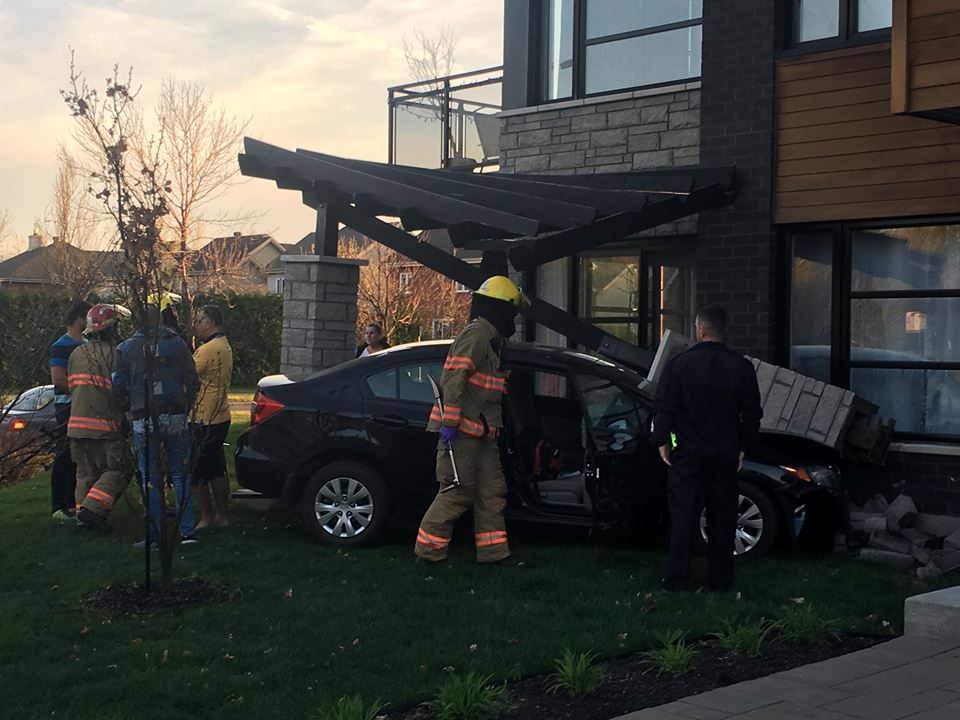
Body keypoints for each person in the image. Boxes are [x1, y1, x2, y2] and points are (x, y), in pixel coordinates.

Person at [651, 305, 762, 593]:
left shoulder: (679, 365)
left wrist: (662, 441)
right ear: (723, 331)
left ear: (699, 330)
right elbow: (751, 414)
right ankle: (720, 582)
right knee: (722, 519)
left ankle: (677, 581)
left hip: (687, 453)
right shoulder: (742, 368)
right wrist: (743, 446)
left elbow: (665, 407)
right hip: (724, 453)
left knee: (683, 517)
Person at [414, 276, 525, 566]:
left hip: (483, 435)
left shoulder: (491, 339)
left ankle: (493, 555)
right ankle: (428, 556)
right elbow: (453, 378)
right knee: (456, 492)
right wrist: (449, 423)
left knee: (492, 493)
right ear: (501, 309)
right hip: (461, 433)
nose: (514, 319)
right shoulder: (476, 336)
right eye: (512, 311)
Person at [113, 298, 200, 546]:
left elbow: (118, 387)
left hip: (143, 417)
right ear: (160, 319)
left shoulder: (126, 348)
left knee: (149, 476)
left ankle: (154, 535)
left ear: (136, 322)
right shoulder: (177, 344)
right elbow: (193, 380)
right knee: (180, 473)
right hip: (174, 414)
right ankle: (187, 532)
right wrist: (185, 407)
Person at [67, 303, 131, 535]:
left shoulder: (76, 353)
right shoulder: (115, 354)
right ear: (111, 329)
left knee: (85, 474)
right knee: (119, 468)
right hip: (103, 426)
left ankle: (82, 520)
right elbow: (119, 390)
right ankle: (92, 511)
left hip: (76, 426)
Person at [190, 304, 233, 529]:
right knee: (216, 467)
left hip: (204, 417)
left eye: (198, 321)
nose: (195, 325)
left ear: (209, 323)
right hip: (221, 414)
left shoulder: (207, 350)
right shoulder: (224, 345)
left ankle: (206, 517)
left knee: (198, 470)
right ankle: (222, 516)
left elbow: (188, 374)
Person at [49, 298, 92, 520]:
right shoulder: (61, 346)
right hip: (68, 406)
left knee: (81, 456)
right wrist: (83, 390)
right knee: (66, 453)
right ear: (79, 319)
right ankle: (59, 504)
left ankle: (76, 501)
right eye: (88, 317)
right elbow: (58, 380)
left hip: (86, 406)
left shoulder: (88, 345)